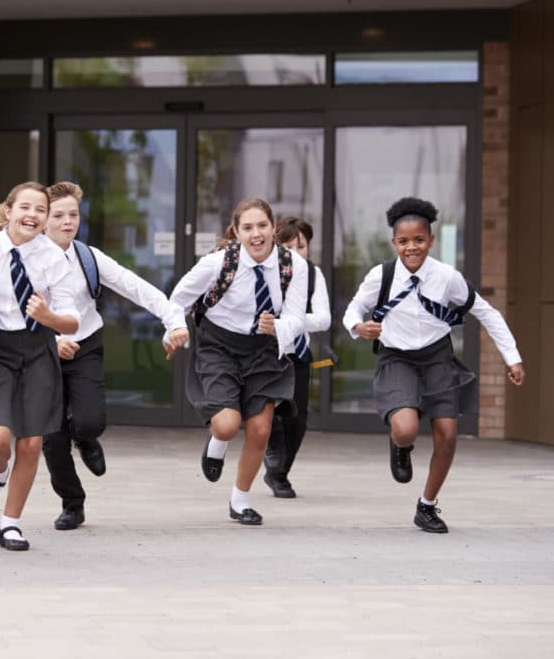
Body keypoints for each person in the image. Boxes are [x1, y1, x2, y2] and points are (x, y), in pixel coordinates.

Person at [343, 197, 524, 533]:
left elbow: (486, 312)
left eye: (419, 240)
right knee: (406, 429)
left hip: (437, 358)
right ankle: (400, 444)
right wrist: (358, 326)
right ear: (394, 242)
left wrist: (512, 357)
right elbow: (353, 308)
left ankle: (426, 506)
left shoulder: (446, 277)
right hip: (397, 357)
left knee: (448, 435)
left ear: (431, 240)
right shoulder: (381, 275)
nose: (411, 247)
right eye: (403, 241)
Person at [41, 181, 189, 530]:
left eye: (73, 215)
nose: (67, 222)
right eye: (58, 216)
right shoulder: (26, 259)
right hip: (42, 352)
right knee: (52, 437)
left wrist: (174, 320)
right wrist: (51, 341)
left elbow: (135, 286)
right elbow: (14, 311)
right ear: (43, 219)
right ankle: (72, 504)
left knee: (90, 422)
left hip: (85, 345)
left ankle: (84, 436)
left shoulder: (88, 257)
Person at [0, 182, 80, 551]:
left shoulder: (54, 257)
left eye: (40, 210)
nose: (32, 215)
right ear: (8, 211)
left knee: (31, 443)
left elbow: (71, 321)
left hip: (38, 351)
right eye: (25, 207)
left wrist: (48, 316)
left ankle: (10, 523)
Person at [168, 198, 307, 526]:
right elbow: (178, 299)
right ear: (236, 231)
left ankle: (240, 501)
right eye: (248, 227)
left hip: (263, 348)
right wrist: (173, 330)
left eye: (262, 226)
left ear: (273, 227)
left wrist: (279, 326)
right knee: (227, 424)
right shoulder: (218, 263)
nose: (256, 234)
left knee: (260, 429)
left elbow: (297, 317)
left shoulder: (293, 266)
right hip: (219, 345)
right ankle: (217, 441)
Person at [262, 216, 331, 498]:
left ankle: (278, 474)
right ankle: (275, 466)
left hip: (298, 355)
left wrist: (290, 322)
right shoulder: (265, 273)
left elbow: (324, 319)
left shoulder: (313, 274)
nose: (296, 253)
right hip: (265, 353)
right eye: (288, 247)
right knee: (268, 412)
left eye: (301, 246)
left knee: (297, 420)